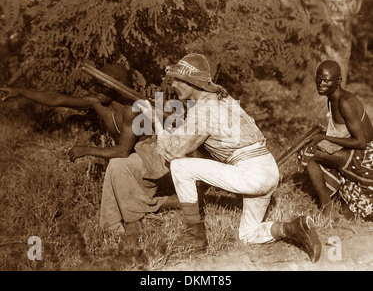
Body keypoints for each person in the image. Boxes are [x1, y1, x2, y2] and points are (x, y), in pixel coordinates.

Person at [137, 53, 322, 263]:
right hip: (268, 169)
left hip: (250, 172)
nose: (174, 84)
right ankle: (294, 227)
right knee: (247, 236)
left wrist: (155, 121)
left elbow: (172, 152)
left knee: (180, 166)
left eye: (180, 80)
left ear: (194, 83)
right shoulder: (222, 98)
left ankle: (195, 238)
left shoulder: (204, 110)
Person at [0, 63, 179, 235]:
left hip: (153, 156)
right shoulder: (98, 101)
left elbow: (123, 151)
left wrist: (86, 150)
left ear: (116, 88)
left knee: (117, 164)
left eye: (103, 88)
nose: (97, 91)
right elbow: (59, 99)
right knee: (116, 166)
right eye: (96, 86)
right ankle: (115, 224)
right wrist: (21, 92)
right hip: (132, 157)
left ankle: (142, 216)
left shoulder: (131, 110)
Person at [299, 60, 373, 221]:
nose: (321, 84)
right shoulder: (331, 98)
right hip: (355, 153)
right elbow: (345, 132)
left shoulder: (345, 102)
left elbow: (361, 142)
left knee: (307, 153)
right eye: (319, 79)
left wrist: (324, 138)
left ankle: (327, 208)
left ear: (338, 81)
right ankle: (332, 201)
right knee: (308, 147)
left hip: (367, 158)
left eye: (326, 80)